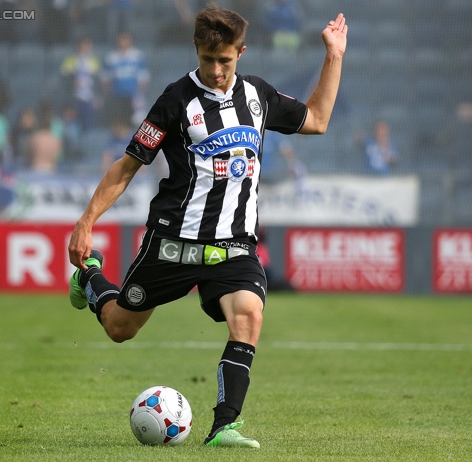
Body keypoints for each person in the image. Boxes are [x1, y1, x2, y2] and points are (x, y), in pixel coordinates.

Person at [67, 4, 347, 448]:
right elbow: (127, 167)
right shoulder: (175, 101)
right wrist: (86, 222)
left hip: (233, 245)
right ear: (196, 51)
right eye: (207, 60)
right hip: (173, 243)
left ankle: (224, 427)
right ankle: (90, 276)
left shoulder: (258, 96)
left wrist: (334, 55)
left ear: (242, 52)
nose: (216, 70)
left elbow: (317, 120)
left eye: (226, 61)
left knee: (249, 315)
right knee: (121, 328)